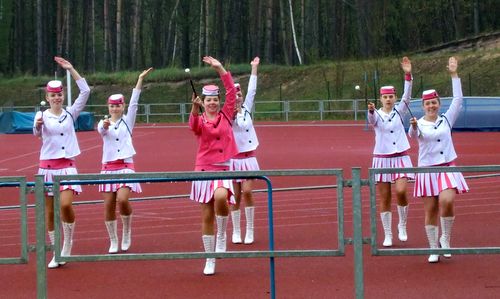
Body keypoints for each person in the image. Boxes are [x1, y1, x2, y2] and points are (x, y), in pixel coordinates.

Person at [409, 56, 468, 263]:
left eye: (434, 102)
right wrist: (415, 126)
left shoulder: (446, 119)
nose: (431, 106)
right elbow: (413, 135)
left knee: (447, 201)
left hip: (447, 168)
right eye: (427, 103)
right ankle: (433, 248)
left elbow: (458, 100)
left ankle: (446, 238)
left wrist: (454, 74)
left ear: (438, 103)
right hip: (427, 170)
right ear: (423, 106)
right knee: (431, 209)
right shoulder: (418, 124)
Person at [33, 57, 91, 268]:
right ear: (47, 97)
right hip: (46, 168)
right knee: (49, 212)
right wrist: (38, 125)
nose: (56, 98)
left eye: (59, 94)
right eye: (53, 95)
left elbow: (85, 92)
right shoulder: (40, 115)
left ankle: (68, 242)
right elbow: (36, 134)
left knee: (65, 205)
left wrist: (71, 68)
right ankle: (56, 251)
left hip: (67, 167)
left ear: (62, 95)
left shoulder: (70, 113)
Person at [189, 56, 238, 275]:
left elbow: (231, 92)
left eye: (214, 100)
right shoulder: (200, 119)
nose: (212, 103)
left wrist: (219, 68)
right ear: (203, 102)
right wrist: (194, 109)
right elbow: (193, 127)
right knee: (206, 215)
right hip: (203, 169)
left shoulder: (227, 115)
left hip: (223, 168)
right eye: (208, 100)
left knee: (221, 197)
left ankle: (222, 234)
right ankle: (209, 258)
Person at [97, 67, 153, 253]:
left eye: (118, 105)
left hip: (125, 167)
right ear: (108, 107)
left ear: (122, 106)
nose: (115, 108)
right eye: (112, 106)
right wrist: (104, 126)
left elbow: (135, 102)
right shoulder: (103, 123)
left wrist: (140, 80)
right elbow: (102, 131)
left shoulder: (128, 121)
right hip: (108, 168)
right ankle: (113, 240)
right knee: (108, 206)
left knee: (122, 200)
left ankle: (127, 231)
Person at [367, 56, 414, 247]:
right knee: (384, 197)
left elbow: (408, 96)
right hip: (382, 158)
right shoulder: (376, 114)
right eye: (385, 97)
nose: (388, 100)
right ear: (381, 99)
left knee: (402, 191)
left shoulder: (400, 111)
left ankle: (402, 224)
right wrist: (370, 111)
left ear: (394, 98)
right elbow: (371, 122)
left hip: (401, 156)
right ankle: (387, 234)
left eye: (390, 97)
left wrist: (408, 75)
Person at [230, 57, 261, 245]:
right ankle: (236, 230)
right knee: (235, 196)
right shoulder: (227, 113)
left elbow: (253, 90)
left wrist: (254, 68)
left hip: (249, 158)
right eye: (234, 94)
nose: (239, 96)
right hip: (234, 159)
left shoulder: (247, 109)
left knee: (248, 192)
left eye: (239, 94)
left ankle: (249, 229)